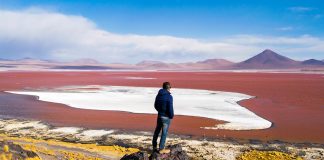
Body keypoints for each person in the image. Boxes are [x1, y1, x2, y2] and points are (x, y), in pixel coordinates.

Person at [152, 82, 174, 154]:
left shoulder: (158, 95)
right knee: (164, 133)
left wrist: (160, 111)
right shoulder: (169, 97)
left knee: (157, 131)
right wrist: (171, 115)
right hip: (166, 117)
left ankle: (154, 146)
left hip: (159, 116)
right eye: (170, 88)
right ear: (168, 88)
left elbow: (155, 105)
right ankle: (161, 149)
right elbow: (170, 108)